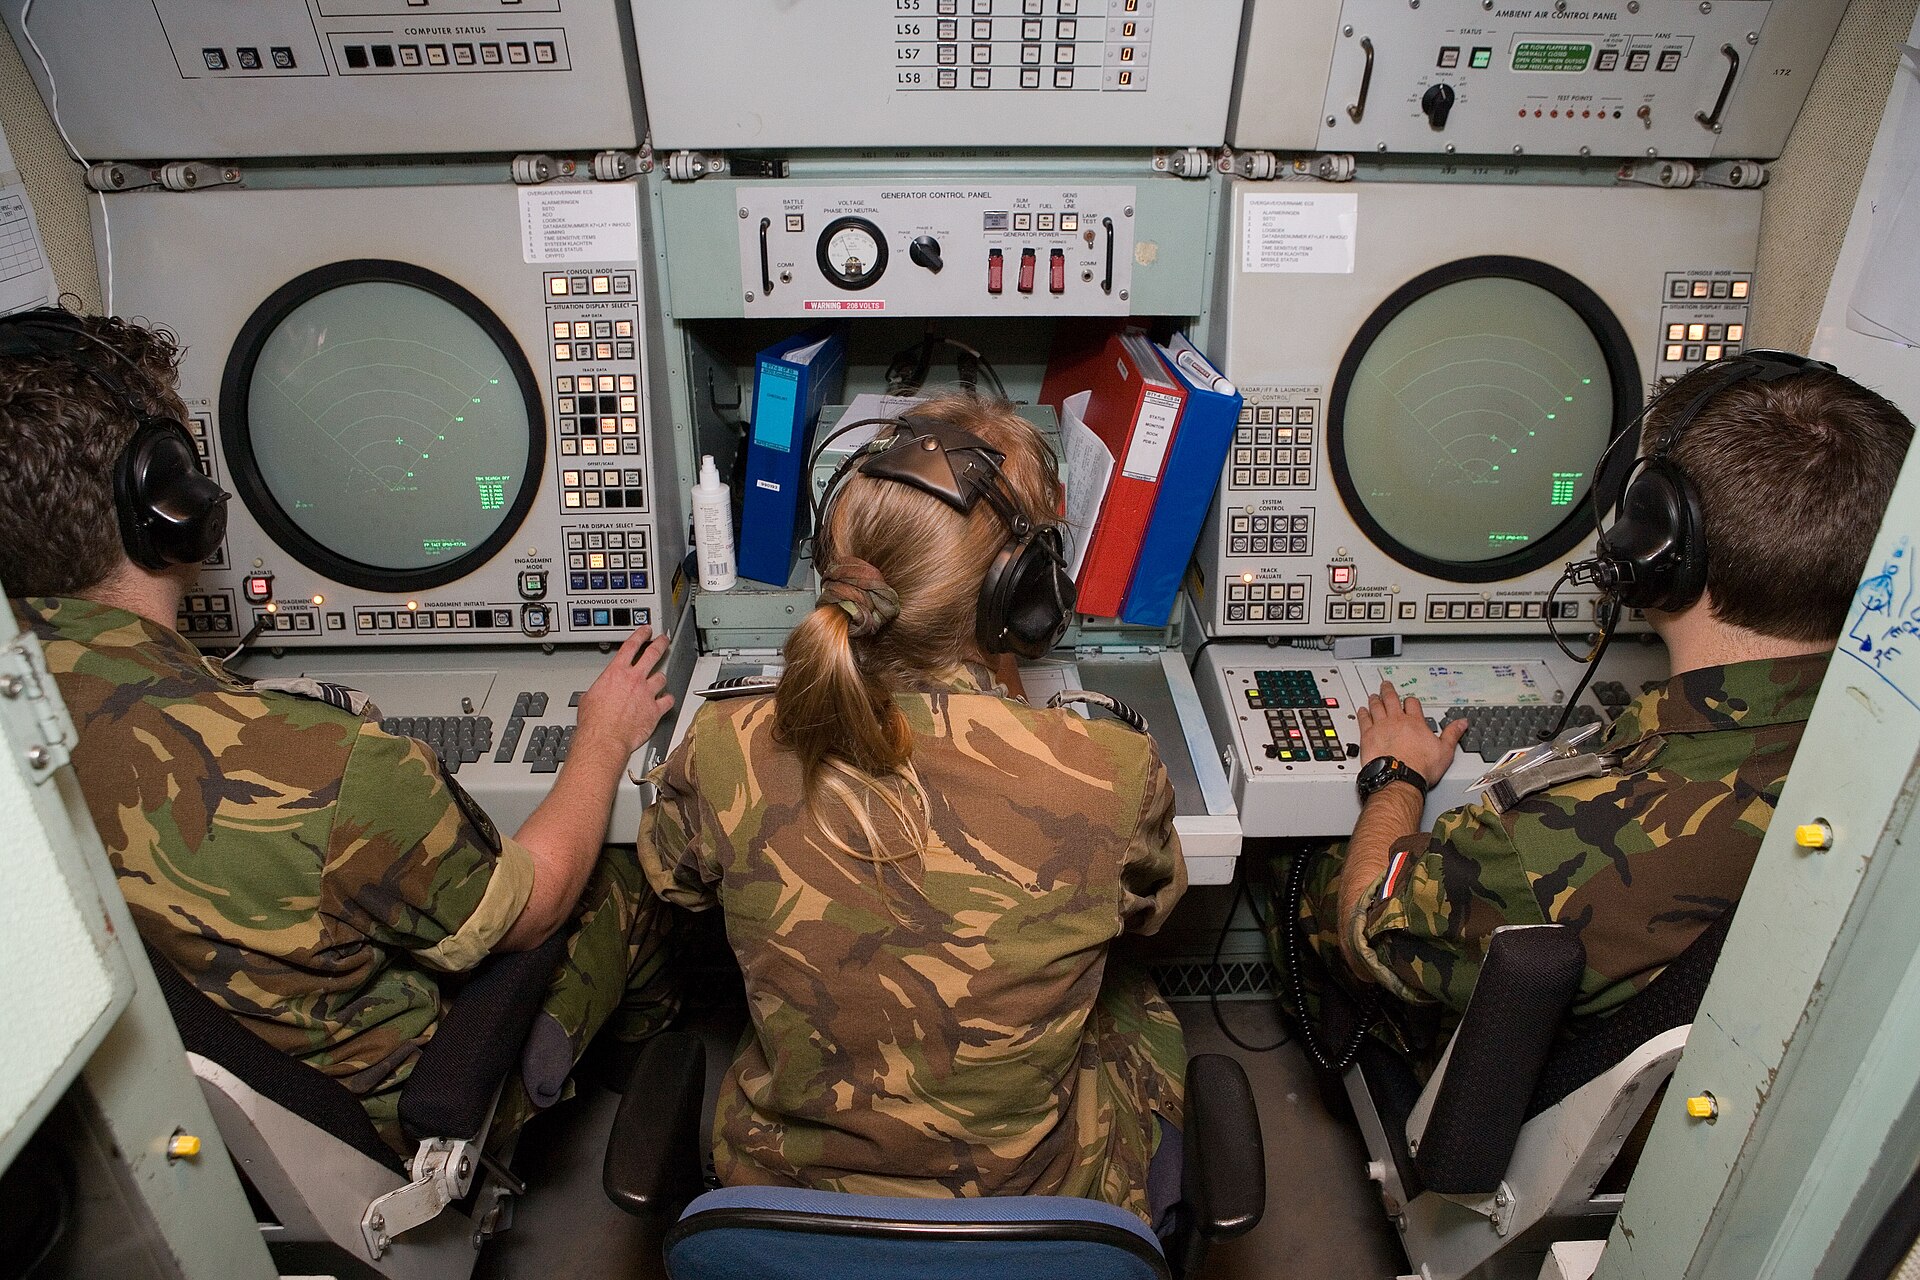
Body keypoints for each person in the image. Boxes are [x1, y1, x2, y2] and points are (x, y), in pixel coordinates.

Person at [0, 308, 680, 1151]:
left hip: (191, 1126)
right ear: (166, 503)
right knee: (627, 862)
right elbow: (530, 911)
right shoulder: (326, 765)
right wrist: (603, 740)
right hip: (385, 1119)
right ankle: (650, 1081)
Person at [1274, 356, 1915, 1074]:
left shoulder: (1545, 846)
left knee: (1307, 878)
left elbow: (1368, 925)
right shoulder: (1895, 762)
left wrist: (1394, 779)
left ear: (1657, 546)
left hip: (1561, 1099)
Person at [638, 393, 1187, 1226]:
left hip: (784, 1200)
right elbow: (1150, 904)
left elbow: (676, 882)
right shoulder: (1107, 768)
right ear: (1019, 595)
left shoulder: (728, 743)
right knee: (1134, 1003)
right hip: (1030, 1204)